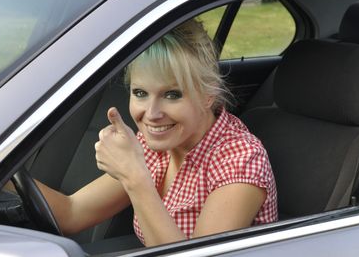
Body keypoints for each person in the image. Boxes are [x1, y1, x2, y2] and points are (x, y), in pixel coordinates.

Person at [36, 19, 277, 247]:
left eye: (172, 95)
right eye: (140, 92)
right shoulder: (156, 145)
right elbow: (71, 213)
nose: (151, 114)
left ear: (208, 97)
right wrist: (2, 171)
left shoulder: (241, 159)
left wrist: (134, 177)